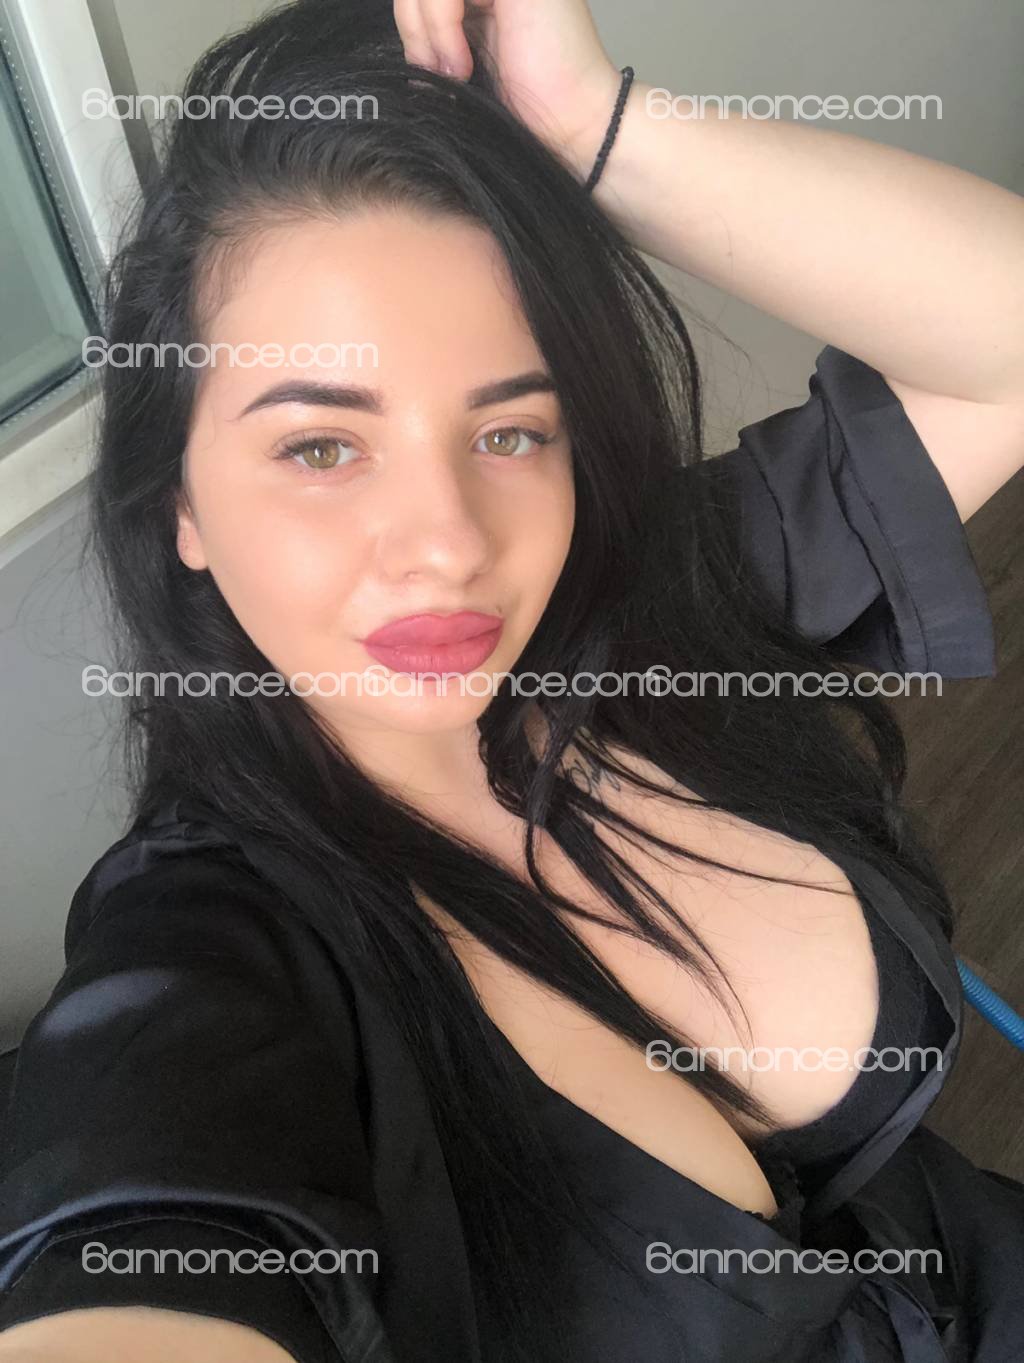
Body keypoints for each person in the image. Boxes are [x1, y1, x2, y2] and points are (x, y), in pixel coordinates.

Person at [2, 0, 1023, 1359]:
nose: (448, 546)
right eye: (320, 447)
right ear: (179, 503)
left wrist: (593, 128)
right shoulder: (214, 960)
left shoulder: (655, 605)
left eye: (509, 430)